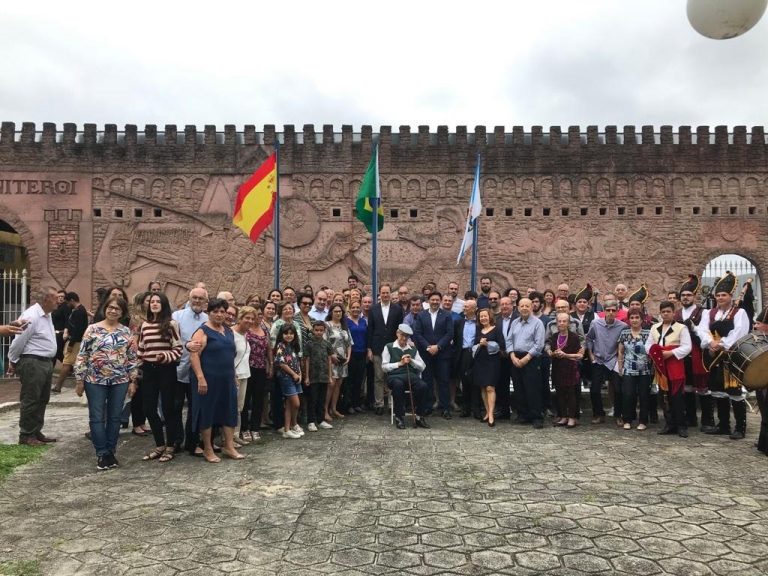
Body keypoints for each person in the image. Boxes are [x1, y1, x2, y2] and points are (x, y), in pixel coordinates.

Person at [73, 295, 139, 469]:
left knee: (115, 417)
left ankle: (111, 451)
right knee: (96, 417)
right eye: (110, 307)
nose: (113, 311)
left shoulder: (126, 332)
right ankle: (101, 453)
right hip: (95, 380)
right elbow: (83, 356)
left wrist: (133, 380)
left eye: (117, 308)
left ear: (122, 312)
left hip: (120, 380)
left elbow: (132, 358)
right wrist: (79, 379)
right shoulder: (92, 329)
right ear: (105, 309)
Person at [696, 271, 750, 439]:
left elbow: (740, 331)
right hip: (713, 356)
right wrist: (710, 342)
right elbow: (701, 329)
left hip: (731, 355)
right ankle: (724, 425)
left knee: (733, 391)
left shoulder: (739, 312)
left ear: (730, 295)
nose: (720, 298)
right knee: (717, 389)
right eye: (718, 295)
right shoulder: (709, 313)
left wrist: (722, 344)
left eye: (724, 295)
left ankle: (740, 428)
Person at [188, 298, 243, 462]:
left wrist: (233, 376)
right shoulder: (202, 331)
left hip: (226, 379)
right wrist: (200, 378)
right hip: (208, 379)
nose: (219, 314)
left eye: (222, 311)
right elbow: (194, 356)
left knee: (229, 411)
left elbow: (230, 356)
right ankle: (208, 448)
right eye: (215, 311)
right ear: (208, 313)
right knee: (207, 412)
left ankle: (229, 446)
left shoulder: (228, 331)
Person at [7, 287, 60, 446]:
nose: (58, 301)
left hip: (45, 362)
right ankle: (26, 434)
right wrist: (13, 360)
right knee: (31, 398)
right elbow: (19, 340)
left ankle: (36, 431)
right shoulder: (32, 315)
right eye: (55, 298)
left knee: (42, 398)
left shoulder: (47, 315)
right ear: (46, 300)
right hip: (33, 362)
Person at [137, 292, 183, 462]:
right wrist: (135, 370)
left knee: (168, 408)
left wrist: (165, 356)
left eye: (158, 301)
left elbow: (178, 349)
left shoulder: (171, 324)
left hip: (166, 370)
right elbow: (141, 349)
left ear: (164, 305)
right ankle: (159, 445)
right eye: (152, 302)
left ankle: (170, 446)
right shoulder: (144, 325)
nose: (154, 304)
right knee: (148, 408)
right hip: (148, 370)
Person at [647, 301, 693, 438]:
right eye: (663, 312)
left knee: (677, 395)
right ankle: (669, 423)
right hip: (660, 365)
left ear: (673, 313)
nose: (666, 314)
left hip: (674, 364)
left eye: (668, 311)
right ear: (660, 313)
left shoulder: (681, 328)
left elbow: (687, 347)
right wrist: (654, 354)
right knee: (664, 395)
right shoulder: (654, 327)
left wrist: (671, 353)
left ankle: (681, 425)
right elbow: (648, 344)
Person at [172, 287, 209, 456]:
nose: (197, 301)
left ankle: (192, 442)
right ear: (189, 298)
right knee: (175, 407)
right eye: (194, 297)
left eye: (201, 298)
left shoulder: (207, 320)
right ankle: (175, 440)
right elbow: (171, 340)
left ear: (206, 301)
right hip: (178, 370)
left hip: (197, 372)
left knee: (195, 408)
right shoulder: (177, 316)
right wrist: (186, 345)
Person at [675, 274, 710, 430]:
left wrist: (694, 329)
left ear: (694, 296)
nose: (686, 298)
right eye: (683, 295)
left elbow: (706, 335)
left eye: (689, 295)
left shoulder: (704, 313)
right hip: (682, 355)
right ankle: (690, 418)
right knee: (687, 387)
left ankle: (707, 421)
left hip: (699, 353)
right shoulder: (676, 314)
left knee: (703, 388)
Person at [413, 291, 455, 419]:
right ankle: (427, 407)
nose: (435, 302)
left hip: (442, 353)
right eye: (433, 300)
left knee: (443, 381)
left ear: (440, 301)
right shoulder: (421, 315)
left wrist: (438, 346)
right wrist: (428, 347)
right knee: (427, 381)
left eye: (437, 300)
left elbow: (449, 334)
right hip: (426, 354)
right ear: (429, 301)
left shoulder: (447, 315)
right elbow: (417, 333)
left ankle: (445, 408)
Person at [585, 299, 627, 425]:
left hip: (613, 360)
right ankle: (598, 414)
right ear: (604, 312)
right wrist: (591, 355)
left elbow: (623, 345)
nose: (610, 313)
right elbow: (589, 339)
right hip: (598, 360)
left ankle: (618, 415)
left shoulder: (622, 326)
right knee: (594, 389)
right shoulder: (596, 324)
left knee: (618, 390)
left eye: (613, 310)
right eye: (608, 310)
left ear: (617, 312)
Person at [382, 324, 431, 430]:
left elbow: (422, 366)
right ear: (397, 333)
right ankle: (399, 417)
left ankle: (419, 416)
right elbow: (384, 367)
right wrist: (399, 363)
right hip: (394, 376)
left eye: (407, 336)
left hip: (411, 376)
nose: (404, 338)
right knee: (398, 385)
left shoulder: (412, 349)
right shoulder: (389, 347)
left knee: (423, 386)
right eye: (402, 335)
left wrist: (411, 360)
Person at [508, 298, 546, 428]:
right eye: (522, 306)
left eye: (527, 306)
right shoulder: (514, 323)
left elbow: (539, 344)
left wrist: (526, 358)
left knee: (532, 388)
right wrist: (512, 356)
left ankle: (536, 417)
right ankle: (523, 415)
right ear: (517, 308)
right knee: (519, 388)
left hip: (531, 358)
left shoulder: (538, 323)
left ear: (531, 307)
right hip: (515, 357)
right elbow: (509, 341)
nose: (524, 308)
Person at [367, 284, 404, 415]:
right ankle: (379, 403)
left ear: (390, 294)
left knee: (391, 376)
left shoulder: (398, 309)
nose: (385, 295)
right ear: (379, 294)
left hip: (392, 348)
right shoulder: (373, 309)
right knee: (378, 377)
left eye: (387, 293)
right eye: (383, 293)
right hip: (377, 347)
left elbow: (400, 329)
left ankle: (391, 404)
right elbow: (370, 330)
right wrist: (369, 349)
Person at [617, 309, 652, 431]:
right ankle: (627, 419)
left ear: (642, 319)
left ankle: (643, 421)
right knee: (627, 395)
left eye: (637, 317)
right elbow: (621, 351)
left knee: (644, 395)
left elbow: (652, 351)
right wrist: (620, 368)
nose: (634, 320)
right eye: (632, 318)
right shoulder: (624, 333)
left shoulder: (648, 333)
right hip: (628, 369)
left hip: (645, 370)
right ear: (629, 320)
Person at [547, 312, 584, 428]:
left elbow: (579, 355)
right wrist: (554, 353)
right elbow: (551, 352)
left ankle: (572, 418)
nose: (562, 323)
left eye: (564, 321)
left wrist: (565, 355)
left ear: (568, 323)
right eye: (559, 321)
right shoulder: (554, 336)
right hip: (558, 368)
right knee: (560, 393)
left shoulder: (574, 337)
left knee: (571, 393)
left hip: (571, 369)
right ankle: (563, 416)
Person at [242, 304, 272, 442]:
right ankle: (244, 428)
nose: (258, 317)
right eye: (256, 315)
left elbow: (269, 349)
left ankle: (255, 428)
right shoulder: (246, 331)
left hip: (260, 368)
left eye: (260, 315)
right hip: (247, 368)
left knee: (259, 400)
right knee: (246, 399)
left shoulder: (264, 330)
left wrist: (270, 365)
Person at [472, 309, 506, 427]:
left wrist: (488, 344)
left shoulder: (496, 329)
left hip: (492, 362)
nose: (483, 318)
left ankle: (491, 414)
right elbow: (473, 345)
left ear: (489, 317)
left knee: (490, 387)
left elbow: (501, 345)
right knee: (482, 388)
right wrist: (479, 344)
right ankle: (486, 412)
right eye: (481, 317)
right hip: (480, 361)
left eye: (485, 316)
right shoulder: (478, 331)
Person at [51, 292, 89, 393]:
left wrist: (71, 344)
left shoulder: (79, 311)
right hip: (75, 340)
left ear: (72, 300)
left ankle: (58, 386)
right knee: (73, 363)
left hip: (76, 341)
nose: (67, 304)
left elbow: (78, 329)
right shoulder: (77, 310)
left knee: (67, 363)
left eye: (68, 302)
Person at [273, 323, 304, 439]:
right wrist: (294, 374)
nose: (289, 336)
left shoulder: (293, 346)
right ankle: (286, 429)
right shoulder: (281, 346)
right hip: (286, 377)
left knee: (291, 404)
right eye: (286, 333)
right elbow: (281, 363)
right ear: (282, 334)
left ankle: (290, 427)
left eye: (291, 333)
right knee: (295, 403)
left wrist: (299, 373)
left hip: (295, 377)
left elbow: (296, 362)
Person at [304, 321, 334, 432]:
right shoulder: (309, 344)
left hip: (324, 375)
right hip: (312, 376)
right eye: (316, 330)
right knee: (312, 399)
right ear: (313, 330)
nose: (319, 332)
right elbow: (307, 359)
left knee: (322, 399)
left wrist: (330, 376)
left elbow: (329, 360)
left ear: (324, 331)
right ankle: (311, 421)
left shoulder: (327, 344)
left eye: (321, 330)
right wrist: (306, 376)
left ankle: (321, 420)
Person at [453, 299, 480, 419]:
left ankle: (477, 409)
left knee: (476, 381)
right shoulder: (459, 322)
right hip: (463, 354)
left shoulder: (480, 323)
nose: (464, 309)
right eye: (464, 306)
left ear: (474, 309)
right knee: (465, 380)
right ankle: (466, 408)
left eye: (467, 307)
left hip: (477, 354)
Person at [232, 306, 255, 444]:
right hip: (234, 375)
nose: (250, 321)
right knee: (231, 407)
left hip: (244, 374)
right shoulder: (231, 333)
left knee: (239, 407)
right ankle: (227, 438)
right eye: (247, 318)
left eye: (252, 318)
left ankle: (235, 434)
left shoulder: (245, 334)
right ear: (240, 318)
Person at [325, 303, 352, 419]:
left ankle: (333, 409)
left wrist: (348, 357)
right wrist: (331, 355)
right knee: (331, 384)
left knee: (338, 385)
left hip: (343, 361)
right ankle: (324, 410)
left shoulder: (344, 326)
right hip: (331, 360)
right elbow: (325, 343)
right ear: (331, 312)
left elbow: (349, 343)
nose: (338, 313)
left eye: (340, 311)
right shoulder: (327, 325)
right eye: (335, 311)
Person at [346, 300, 367, 413]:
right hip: (351, 354)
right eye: (353, 307)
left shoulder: (363, 321)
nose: (355, 309)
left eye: (357, 307)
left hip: (362, 353)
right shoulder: (346, 321)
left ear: (360, 309)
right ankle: (349, 404)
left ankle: (357, 403)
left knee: (359, 380)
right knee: (350, 380)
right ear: (349, 308)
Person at [753, 306, 768, 457]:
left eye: (759, 323)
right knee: (765, 412)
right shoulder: (761, 340)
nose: (756, 326)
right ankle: (764, 443)